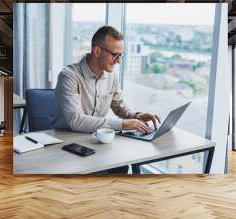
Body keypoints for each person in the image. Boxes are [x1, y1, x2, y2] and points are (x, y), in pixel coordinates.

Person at [53, 26, 160, 173]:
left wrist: (135, 116)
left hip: (95, 141)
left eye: (120, 56)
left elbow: (119, 105)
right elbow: (76, 120)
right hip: (65, 145)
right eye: (114, 55)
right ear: (96, 51)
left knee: (121, 166)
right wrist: (122, 124)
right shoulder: (69, 76)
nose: (118, 61)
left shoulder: (111, 75)